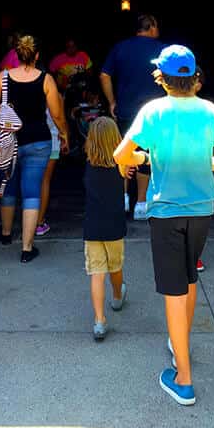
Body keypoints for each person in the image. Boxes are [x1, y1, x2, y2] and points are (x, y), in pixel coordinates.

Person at [114, 45, 214, 406]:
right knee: (188, 277)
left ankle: (183, 378)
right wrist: (202, 162)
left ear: (162, 78)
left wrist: (148, 158)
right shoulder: (210, 111)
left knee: (173, 290)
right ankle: (179, 341)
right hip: (202, 209)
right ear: (194, 78)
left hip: (166, 211)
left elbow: (120, 155)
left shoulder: (153, 111)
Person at [0, 35, 69, 262]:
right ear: (37, 56)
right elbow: (57, 114)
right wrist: (64, 134)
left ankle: (5, 234)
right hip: (38, 141)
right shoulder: (46, 80)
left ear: (17, 55)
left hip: (8, 142)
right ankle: (27, 248)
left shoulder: (2, 79)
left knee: (9, 188)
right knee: (32, 191)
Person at [100, 14, 165, 219]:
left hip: (126, 110)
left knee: (125, 152)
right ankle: (142, 203)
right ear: (152, 27)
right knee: (147, 155)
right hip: (154, 111)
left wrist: (112, 102)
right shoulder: (162, 49)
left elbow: (104, 75)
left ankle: (123, 199)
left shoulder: (121, 47)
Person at [83, 116, 128, 341]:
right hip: (114, 227)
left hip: (92, 228)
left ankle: (99, 321)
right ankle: (118, 296)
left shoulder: (88, 165)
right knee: (115, 268)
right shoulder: (121, 165)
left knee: (96, 274)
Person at [35, 110, 60, 238]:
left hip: (29, 141)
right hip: (51, 140)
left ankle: (28, 221)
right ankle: (39, 223)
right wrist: (65, 132)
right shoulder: (52, 92)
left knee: (30, 182)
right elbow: (58, 116)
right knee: (45, 181)